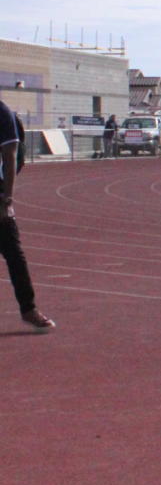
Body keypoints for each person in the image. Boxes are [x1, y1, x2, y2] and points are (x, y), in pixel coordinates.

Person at [1, 99, 54, 329]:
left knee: (14, 255)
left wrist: (7, 198)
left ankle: (29, 309)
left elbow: (10, 156)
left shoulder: (1, 113)